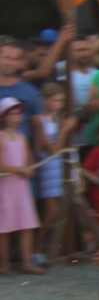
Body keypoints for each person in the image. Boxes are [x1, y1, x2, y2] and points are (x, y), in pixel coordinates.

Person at [33, 82, 79, 259]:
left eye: (61, 101)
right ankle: (38, 248)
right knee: (51, 211)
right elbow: (53, 149)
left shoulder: (61, 118)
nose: (58, 105)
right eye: (55, 101)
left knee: (65, 209)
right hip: (48, 165)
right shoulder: (39, 119)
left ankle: (59, 247)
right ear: (46, 100)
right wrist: (65, 128)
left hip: (63, 165)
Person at [0, 97, 42, 274]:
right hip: (5, 187)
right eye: (13, 113)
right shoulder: (1, 137)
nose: (17, 116)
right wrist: (19, 169)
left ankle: (27, 262)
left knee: (26, 225)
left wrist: (29, 169)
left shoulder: (21, 137)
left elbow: (29, 161)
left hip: (21, 188)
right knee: (4, 227)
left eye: (18, 112)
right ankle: (4, 264)